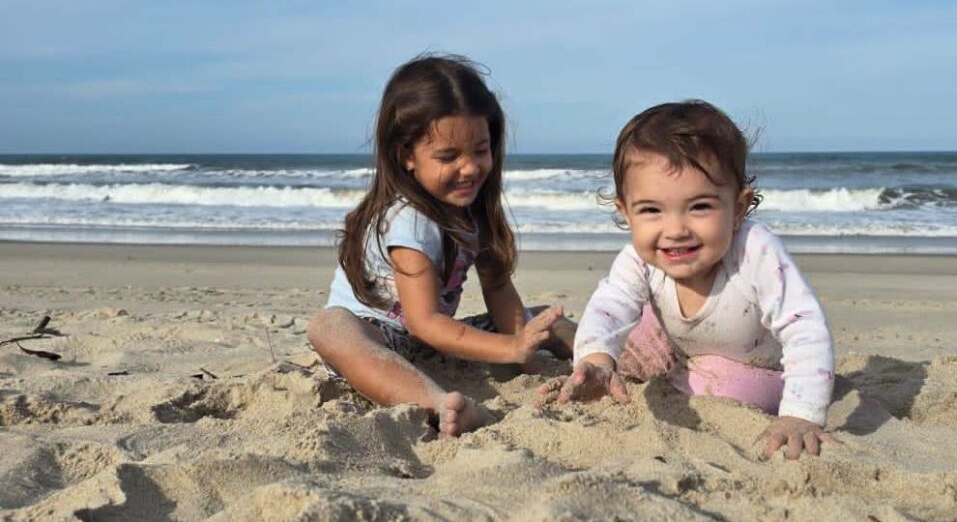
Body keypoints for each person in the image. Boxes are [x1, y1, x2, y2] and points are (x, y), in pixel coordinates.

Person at [537, 100, 838, 460]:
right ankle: (578, 352)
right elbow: (609, 309)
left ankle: (683, 376)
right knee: (626, 337)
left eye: (699, 207)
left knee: (719, 385)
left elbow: (805, 328)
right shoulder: (638, 258)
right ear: (625, 212)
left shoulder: (755, 251)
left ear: (738, 207)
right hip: (676, 344)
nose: (676, 230)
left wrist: (800, 415)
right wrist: (598, 362)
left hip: (753, 365)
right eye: (651, 210)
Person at [308, 54, 571, 438]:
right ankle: (436, 403)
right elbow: (423, 321)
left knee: (546, 320)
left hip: (433, 343)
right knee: (329, 326)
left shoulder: (473, 209)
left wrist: (527, 351)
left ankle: (612, 358)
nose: (470, 168)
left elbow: (499, 291)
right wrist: (511, 348)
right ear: (406, 155)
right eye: (448, 156)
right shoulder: (409, 220)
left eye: (480, 150)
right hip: (379, 339)